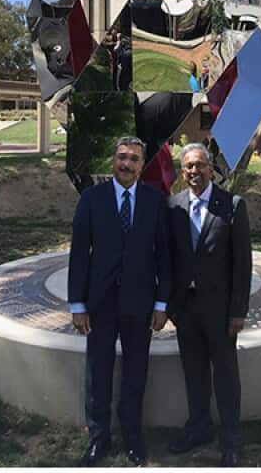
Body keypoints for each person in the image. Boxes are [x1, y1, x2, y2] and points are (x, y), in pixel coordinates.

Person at [69, 137, 171, 466]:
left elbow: (164, 257)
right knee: (97, 370)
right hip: (99, 303)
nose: (126, 164)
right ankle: (99, 438)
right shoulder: (91, 199)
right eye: (122, 157)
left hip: (139, 303)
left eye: (134, 159)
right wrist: (77, 305)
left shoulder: (156, 201)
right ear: (113, 160)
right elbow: (79, 255)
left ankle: (132, 436)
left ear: (143, 166)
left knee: (135, 371)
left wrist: (161, 303)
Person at [166, 143, 252, 467]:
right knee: (194, 373)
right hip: (186, 312)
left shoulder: (231, 206)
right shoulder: (173, 206)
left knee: (226, 376)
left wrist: (237, 312)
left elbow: (242, 264)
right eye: (188, 167)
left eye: (199, 166)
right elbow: (170, 259)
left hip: (220, 312)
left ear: (211, 169)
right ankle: (198, 427)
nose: (193, 172)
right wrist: (171, 307)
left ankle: (231, 441)